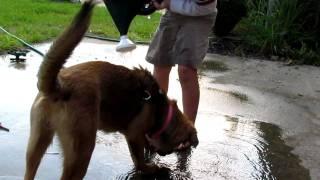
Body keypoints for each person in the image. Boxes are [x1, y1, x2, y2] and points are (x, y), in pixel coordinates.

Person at [146, 0, 218, 124]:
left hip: (200, 14)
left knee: (186, 70)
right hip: (173, 13)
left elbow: (203, 3)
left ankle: (188, 129)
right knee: (161, 62)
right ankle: (156, 121)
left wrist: (169, 3)